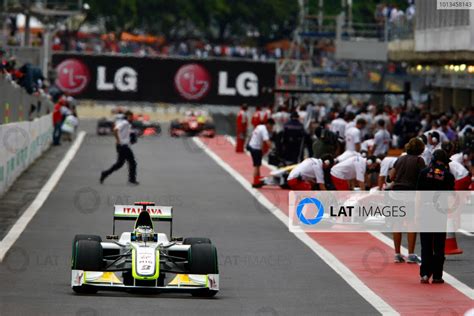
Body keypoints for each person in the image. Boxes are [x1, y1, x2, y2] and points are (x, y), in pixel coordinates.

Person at [416, 149, 455, 284]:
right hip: (440, 211)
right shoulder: (448, 176)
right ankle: (437, 275)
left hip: (425, 209)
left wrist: (417, 213)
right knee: (439, 244)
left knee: (426, 243)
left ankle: (425, 274)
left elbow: (419, 195)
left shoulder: (424, 173)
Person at [389, 137, 426, 263]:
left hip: (395, 193)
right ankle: (410, 254)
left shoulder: (399, 159)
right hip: (410, 194)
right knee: (411, 223)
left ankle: (397, 254)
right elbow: (423, 177)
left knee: (397, 223)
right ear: (421, 149)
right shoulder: (419, 161)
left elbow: (391, 175)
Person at [100, 111, 139, 185]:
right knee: (132, 162)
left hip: (123, 145)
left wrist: (131, 140)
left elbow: (125, 134)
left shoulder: (126, 124)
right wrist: (118, 140)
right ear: (127, 116)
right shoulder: (124, 123)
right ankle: (132, 180)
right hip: (122, 146)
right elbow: (115, 129)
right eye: (131, 116)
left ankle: (105, 173)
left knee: (119, 164)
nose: (132, 118)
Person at [247, 119, 275, 188]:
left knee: (258, 165)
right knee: (256, 165)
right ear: (268, 124)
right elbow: (267, 141)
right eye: (271, 126)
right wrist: (274, 148)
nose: (271, 128)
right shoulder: (264, 130)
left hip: (252, 145)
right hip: (256, 148)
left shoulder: (259, 126)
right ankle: (255, 182)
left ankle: (258, 180)